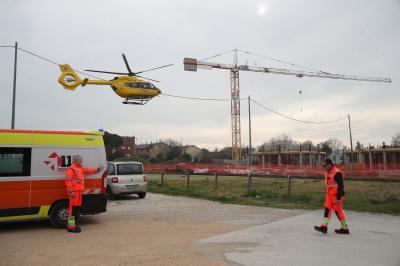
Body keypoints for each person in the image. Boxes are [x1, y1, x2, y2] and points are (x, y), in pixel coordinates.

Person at [65, 155, 103, 233]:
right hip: (74, 192)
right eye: (80, 160)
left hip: (79, 191)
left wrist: (98, 169)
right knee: (72, 210)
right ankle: (70, 226)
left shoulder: (80, 168)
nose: (81, 161)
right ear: (75, 161)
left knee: (75, 209)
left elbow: (89, 170)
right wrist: (71, 191)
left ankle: (73, 225)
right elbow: (67, 181)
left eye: (81, 160)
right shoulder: (71, 169)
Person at [314, 158, 349, 234]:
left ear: (329, 165)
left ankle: (345, 228)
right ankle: (324, 226)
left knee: (338, 211)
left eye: (325, 166)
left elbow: (341, 186)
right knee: (327, 210)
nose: (324, 167)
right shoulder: (327, 171)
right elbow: (328, 182)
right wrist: (326, 189)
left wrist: (338, 197)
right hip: (329, 195)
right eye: (323, 166)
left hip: (336, 195)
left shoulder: (337, 173)